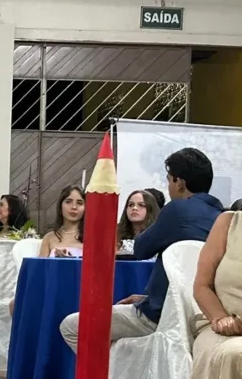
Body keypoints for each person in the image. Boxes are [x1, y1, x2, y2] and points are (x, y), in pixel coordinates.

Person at [60, 148, 224, 352]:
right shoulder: (223, 216)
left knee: (71, 327)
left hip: (158, 317)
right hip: (200, 314)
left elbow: (141, 249)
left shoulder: (176, 209)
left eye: (169, 180)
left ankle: (108, 373)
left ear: (179, 183)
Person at [191, 210, 242, 379]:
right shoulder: (229, 222)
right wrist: (220, 317)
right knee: (236, 355)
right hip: (222, 327)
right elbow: (202, 286)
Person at [38, 185, 85, 258]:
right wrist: (57, 261)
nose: (74, 207)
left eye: (79, 203)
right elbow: (40, 264)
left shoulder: (92, 238)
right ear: (60, 205)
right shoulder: (49, 238)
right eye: (68, 202)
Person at [116, 190, 159, 254]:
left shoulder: (158, 235)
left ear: (150, 210)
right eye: (131, 205)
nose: (134, 208)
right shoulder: (115, 233)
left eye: (141, 205)